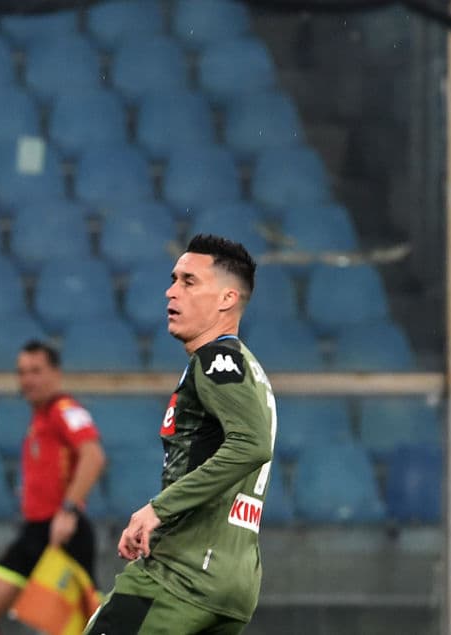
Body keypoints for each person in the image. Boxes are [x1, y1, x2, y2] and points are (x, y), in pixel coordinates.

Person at [82, 234, 276, 635]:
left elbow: (252, 443)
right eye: (174, 279)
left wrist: (158, 509)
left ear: (226, 299)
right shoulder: (248, 368)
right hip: (231, 582)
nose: (171, 291)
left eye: (189, 281)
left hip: (181, 573)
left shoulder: (217, 359)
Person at [0, 340, 107, 635]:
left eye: (36, 371)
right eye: (22, 372)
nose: (27, 379)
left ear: (55, 373)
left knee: (83, 626)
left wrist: (67, 511)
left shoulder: (64, 410)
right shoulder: (39, 418)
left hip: (64, 533)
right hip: (35, 533)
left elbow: (93, 456)